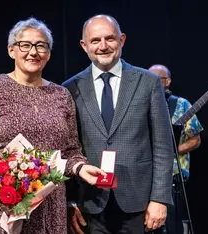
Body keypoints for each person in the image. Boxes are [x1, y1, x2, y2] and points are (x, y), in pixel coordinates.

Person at [0, 17, 105, 234]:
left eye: (41, 46)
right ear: (12, 50)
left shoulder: (61, 95)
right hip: (4, 206)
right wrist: (10, 190)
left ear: (48, 54)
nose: (33, 52)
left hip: (51, 206)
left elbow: (70, 151)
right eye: (25, 45)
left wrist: (80, 167)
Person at [62, 15, 175, 234]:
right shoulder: (69, 88)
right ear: (84, 46)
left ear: (121, 40)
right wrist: (70, 202)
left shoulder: (148, 82)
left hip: (140, 205)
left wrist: (160, 199)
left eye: (109, 39)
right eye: (95, 41)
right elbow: (67, 148)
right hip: (90, 205)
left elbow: (163, 146)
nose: (103, 46)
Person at [148, 64, 203, 234]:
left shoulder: (180, 104)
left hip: (173, 175)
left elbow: (196, 140)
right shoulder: (142, 103)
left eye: (158, 79)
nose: (153, 83)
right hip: (145, 174)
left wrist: (172, 150)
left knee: (170, 224)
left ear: (168, 81)